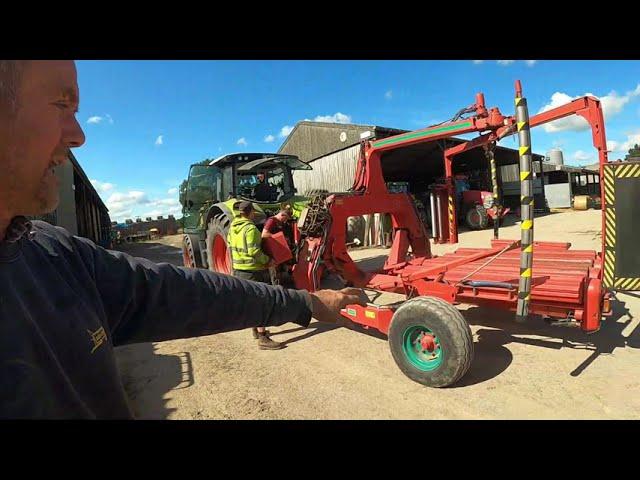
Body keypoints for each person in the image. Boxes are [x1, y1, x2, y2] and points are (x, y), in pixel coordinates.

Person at [0, 60, 366, 419]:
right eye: (61, 104)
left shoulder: (54, 255)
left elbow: (186, 292)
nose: (79, 135)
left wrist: (305, 302)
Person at [227, 200, 284, 350]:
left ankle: (255, 330)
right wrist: (268, 260)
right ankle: (263, 338)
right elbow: (254, 251)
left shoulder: (233, 228)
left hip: (239, 269)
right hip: (253, 270)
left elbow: (230, 245)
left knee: (252, 301)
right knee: (262, 302)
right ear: (251, 212)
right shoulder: (251, 229)